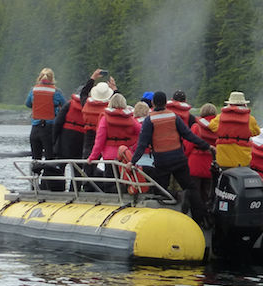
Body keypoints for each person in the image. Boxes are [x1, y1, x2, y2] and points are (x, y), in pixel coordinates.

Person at [129, 91, 213, 227]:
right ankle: (201, 219)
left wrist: (132, 161)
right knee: (191, 188)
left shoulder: (150, 120)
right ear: (165, 103)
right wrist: (207, 146)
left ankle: (165, 218)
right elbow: (188, 135)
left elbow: (142, 144)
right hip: (179, 159)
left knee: (160, 191)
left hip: (162, 161)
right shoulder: (173, 116)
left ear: (153, 103)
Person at [25, 68, 66, 189]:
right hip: (49, 129)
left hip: (35, 129)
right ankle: (47, 185)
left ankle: (34, 186)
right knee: (49, 159)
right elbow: (64, 105)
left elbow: (28, 104)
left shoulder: (33, 91)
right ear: (52, 79)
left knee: (35, 159)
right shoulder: (56, 92)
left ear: (40, 77)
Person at [208, 91, 261, 169]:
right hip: (243, 160)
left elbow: (211, 126)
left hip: (223, 159)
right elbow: (257, 132)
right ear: (244, 104)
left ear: (229, 104)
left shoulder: (220, 117)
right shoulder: (250, 119)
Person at [88, 93, 141, 162]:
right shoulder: (131, 119)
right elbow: (143, 133)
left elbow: (99, 140)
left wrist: (92, 157)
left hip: (110, 157)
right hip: (125, 156)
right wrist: (134, 148)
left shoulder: (105, 119)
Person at [185, 102, 218, 210]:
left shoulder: (196, 127)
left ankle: (195, 217)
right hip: (211, 165)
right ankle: (207, 217)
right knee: (207, 194)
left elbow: (188, 146)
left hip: (195, 164)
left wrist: (185, 157)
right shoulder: (219, 128)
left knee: (194, 194)